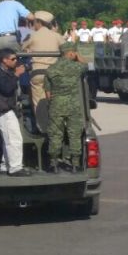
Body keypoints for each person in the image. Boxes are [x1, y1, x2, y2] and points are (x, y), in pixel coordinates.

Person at [45, 42, 87, 171]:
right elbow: (86, 64)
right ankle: (75, 164)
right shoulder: (77, 67)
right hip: (73, 105)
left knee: (55, 134)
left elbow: (48, 94)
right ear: (71, 53)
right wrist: (78, 56)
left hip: (56, 105)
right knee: (74, 134)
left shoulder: (51, 69)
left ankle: (54, 163)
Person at [22, 10, 66, 131]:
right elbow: (68, 50)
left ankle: (42, 127)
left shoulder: (32, 35)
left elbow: (21, 48)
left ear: (38, 22)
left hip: (37, 73)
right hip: (54, 74)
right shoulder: (56, 36)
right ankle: (58, 125)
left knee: (38, 101)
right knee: (54, 100)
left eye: (34, 22)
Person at [0, 48, 31, 176]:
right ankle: (15, 168)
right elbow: (7, 88)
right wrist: (17, 75)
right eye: (13, 59)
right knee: (14, 139)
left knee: (8, 139)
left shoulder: (6, 70)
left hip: (8, 109)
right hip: (4, 110)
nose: (15, 61)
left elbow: (23, 68)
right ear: (4, 60)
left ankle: (5, 165)